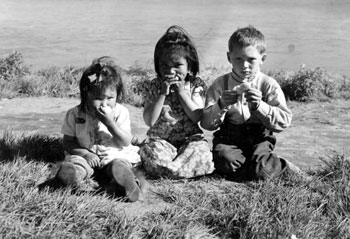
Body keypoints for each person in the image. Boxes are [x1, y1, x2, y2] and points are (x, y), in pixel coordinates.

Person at [44, 56, 144, 202]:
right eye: (98, 98)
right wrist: (85, 153)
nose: (104, 103)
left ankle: (127, 182)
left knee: (119, 163)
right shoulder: (75, 114)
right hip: (87, 156)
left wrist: (110, 124)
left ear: (117, 95)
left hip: (113, 153)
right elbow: (68, 142)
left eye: (110, 98)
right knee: (77, 164)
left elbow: (125, 141)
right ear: (86, 95)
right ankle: (68, 178)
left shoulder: (120, 112)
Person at [201, 25, 294, 181]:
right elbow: (206, 124)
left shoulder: (268, 84)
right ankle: (254, 168)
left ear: (262, 59)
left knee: (261, 170)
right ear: (229, 57)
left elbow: (284, 122)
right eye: (238, 59)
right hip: (229, 138)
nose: (244, 66)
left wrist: (260, 106)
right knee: (225, 159)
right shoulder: (220, 84)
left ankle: (279, 166)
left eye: (251, 60)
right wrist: (221, 105)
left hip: (259, 138)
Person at [137, 25, 214, 179]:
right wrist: (162, 94)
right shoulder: (154, 86)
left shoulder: (195, 85)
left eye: (178, 65)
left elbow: (196, 116)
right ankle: (180, 170)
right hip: (161, 141)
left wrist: (181, 92)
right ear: (158, 66)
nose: (171, 71)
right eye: (165, 65)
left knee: (201, 152)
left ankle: (171, 170)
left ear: (189, 66)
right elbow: (149, 120)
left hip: (189, 140)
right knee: (151, 152)